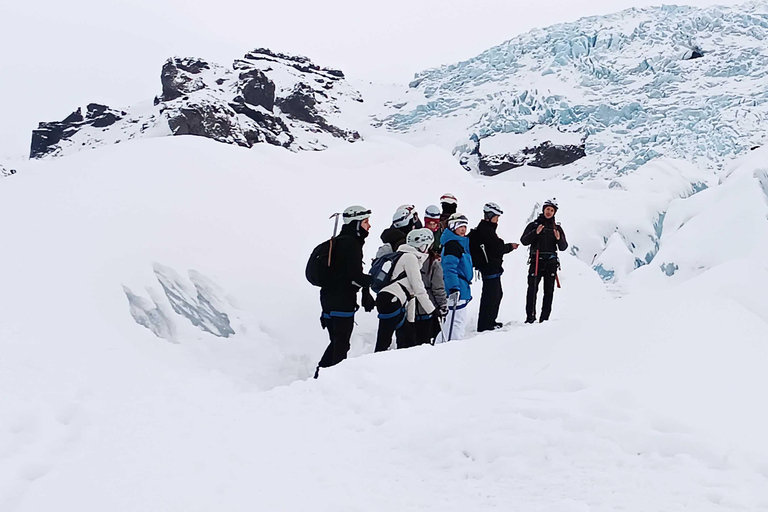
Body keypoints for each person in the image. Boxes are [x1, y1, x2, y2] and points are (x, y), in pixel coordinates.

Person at [316, 206, 376, 378]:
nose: (369, 226)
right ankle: (332, 380)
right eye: (365, 222)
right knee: (341, 344)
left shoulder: (337, 241)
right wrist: (369, 280)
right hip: (342, 300)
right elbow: (354, 275)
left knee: (336, 341)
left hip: (327, 298)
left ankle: (321, 375)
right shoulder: (352, 244)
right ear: (356, 224)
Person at [375, 228, 436, 351]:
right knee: (384, 340)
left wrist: (411, 320)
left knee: (407, 337)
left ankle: (403, 363)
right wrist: (432, 310)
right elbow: (418, 287)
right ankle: (373, 365)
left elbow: (410, 292)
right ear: (422, 244)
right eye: (429, 246)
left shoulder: (407, 256)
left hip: (393, 299)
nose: (429, 249)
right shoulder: (410, 258)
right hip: (391, 299)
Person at [468, 202, 519, 332]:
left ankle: (489, 322)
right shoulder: (486, 230)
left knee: (495, 294)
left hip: (489, 269)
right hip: (490, 269)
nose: (497, 220)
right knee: (491, 296)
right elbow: (497, 248)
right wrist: (509, 246)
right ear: (490, 216)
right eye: (496, 217)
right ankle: (486, 325)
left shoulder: (485, 229)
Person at [520, 198, 568, 323]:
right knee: (532, 289)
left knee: (549, 291)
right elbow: (524, 241)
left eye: (552, 210)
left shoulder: (557, 228)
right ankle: (530, 317)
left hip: (551, 263)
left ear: (554, 212)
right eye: (548, 209)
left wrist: (559, 239)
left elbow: (563, 247)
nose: (549, 212)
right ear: (543, 210)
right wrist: (535, 233)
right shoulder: (534, 225)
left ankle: (544, 319)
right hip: (536, 261)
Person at [436, 213, 473, 342]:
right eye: (460, 226)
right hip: (457, 289)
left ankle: (442, 346)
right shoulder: (453, 245)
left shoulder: (460, 244)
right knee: (455, 322)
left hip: (462, 287)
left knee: (457, 321)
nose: (463, 229)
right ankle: (450, 348)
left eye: (465, 226)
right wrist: (454, 288)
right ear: (453, 227)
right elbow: (449, 268)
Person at [415, 220, 447, 346]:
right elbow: (438, 287)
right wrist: (443, 305)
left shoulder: (409, 258)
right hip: (429, 308)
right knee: (428, 342)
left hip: (412, 308)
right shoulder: (433, 263)